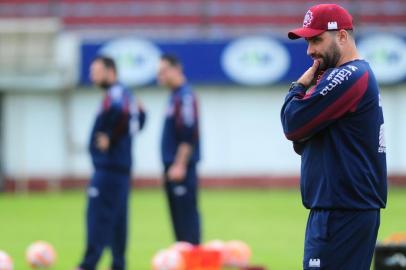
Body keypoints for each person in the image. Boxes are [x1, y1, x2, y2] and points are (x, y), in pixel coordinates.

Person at [280, 4, 387, 270]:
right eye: (308, 41)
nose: (310, 51)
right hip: (343, 208)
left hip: (342, 210)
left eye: (316, 39)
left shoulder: (349, 75)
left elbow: (293, 124)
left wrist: (299, 86)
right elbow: (302, 140)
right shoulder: (346, 76)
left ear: (341, 36)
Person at [77, 56, 146, 270]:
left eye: (96, 71)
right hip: (120, 170)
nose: (92, 76)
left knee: (97, 216)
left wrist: (111, 136)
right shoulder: (126, 94)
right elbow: (141, 116)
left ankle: (88, 265)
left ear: (110, 71)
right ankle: (118, 264)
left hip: (108, 170)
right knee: (117, 220)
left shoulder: (116, 94)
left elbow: (123, 112)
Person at [158, 54, 201, 245]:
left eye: (163, 71)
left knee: (187, 226)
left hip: (181, 170)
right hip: (173, 168)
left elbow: (188, 132)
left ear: (176, 70)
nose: (159, 76)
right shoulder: (174, 96)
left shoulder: (185, 97)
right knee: (179, 227)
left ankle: (193, 263)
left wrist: (179, 165)